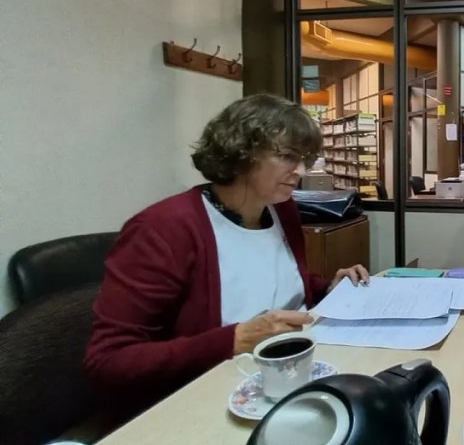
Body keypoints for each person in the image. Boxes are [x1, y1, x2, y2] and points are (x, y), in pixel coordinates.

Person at [85, 94, 370, 419]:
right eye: (288, 156)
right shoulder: (162, 229)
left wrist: (327, 289)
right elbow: (106, 362)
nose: (301, 170)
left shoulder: (283, 209)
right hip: (210, 398)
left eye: (305, 158)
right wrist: (233, 340)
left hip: (292, 373)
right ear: (242, 151)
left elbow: (278, 284)